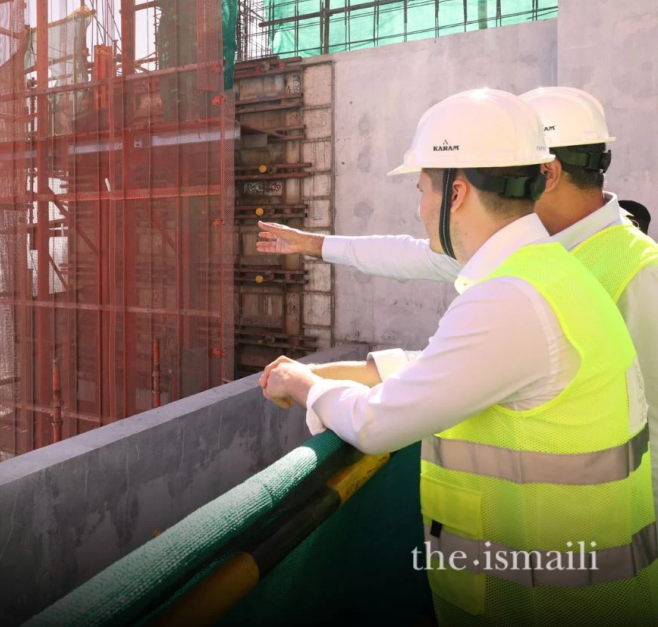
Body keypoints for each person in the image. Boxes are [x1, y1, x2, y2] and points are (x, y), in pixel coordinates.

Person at [259, 88, 657, 624]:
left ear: (457, 193)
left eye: (423, 188)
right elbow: (471, 367)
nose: (419, 206)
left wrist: (302, 383)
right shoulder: (552, 272)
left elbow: (375, 424)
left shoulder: (512, 296)